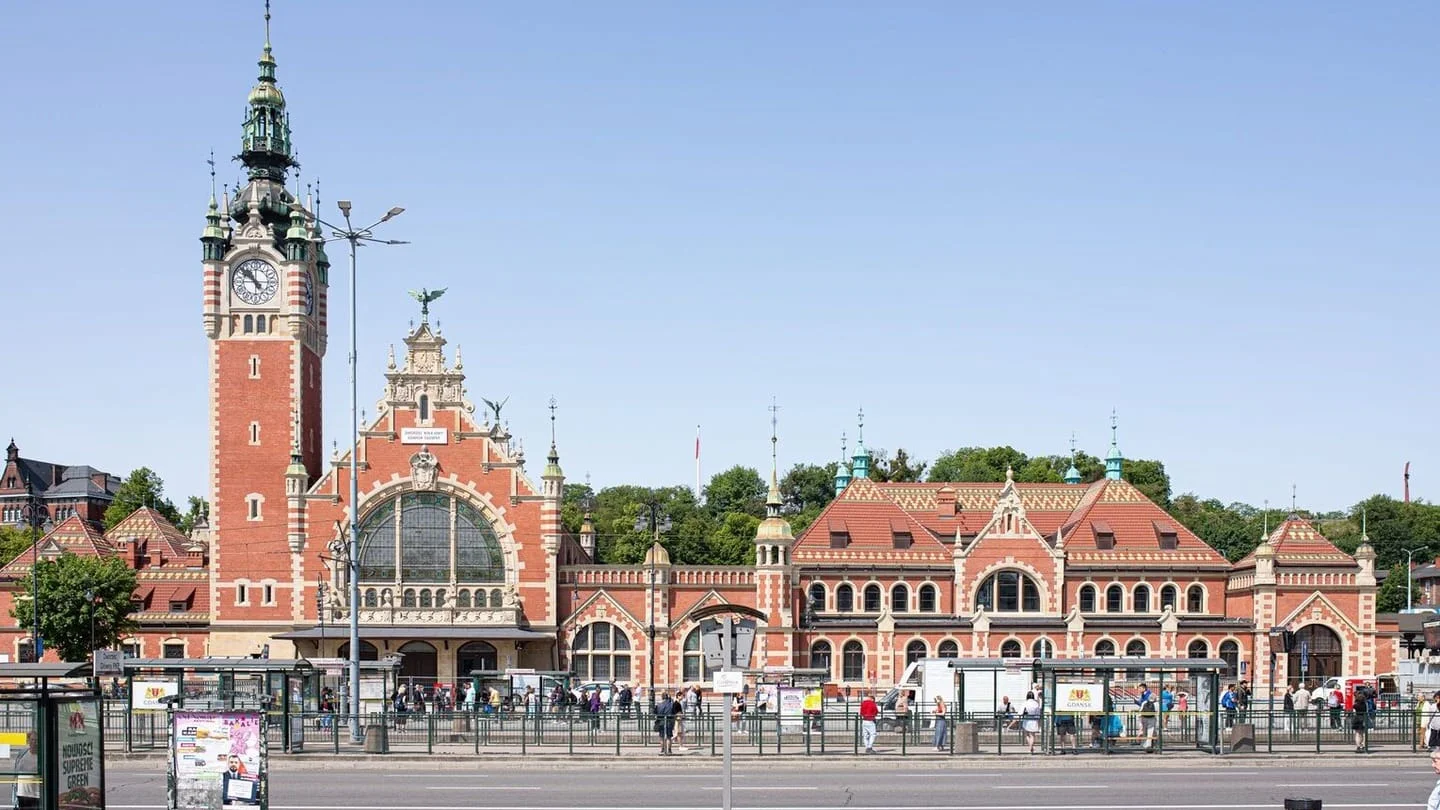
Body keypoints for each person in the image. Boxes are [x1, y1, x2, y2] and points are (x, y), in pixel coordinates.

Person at [12, 731, 38, 810]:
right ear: (28, 741)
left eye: (36, 740)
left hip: (35, 795)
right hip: (22, 794)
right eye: (32, 740)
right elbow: (16, 773)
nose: (34, 742)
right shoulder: (22, 754)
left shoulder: (41, 756)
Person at [655, 691, 678, 755]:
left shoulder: (659, 704)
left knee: (661, 736)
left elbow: (655, 713)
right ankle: (669, 750)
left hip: (661, 721)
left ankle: (662, 749)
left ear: (662, 697)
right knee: (669, 737)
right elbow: (674, 712)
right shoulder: (671, 704)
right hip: (669, 721)